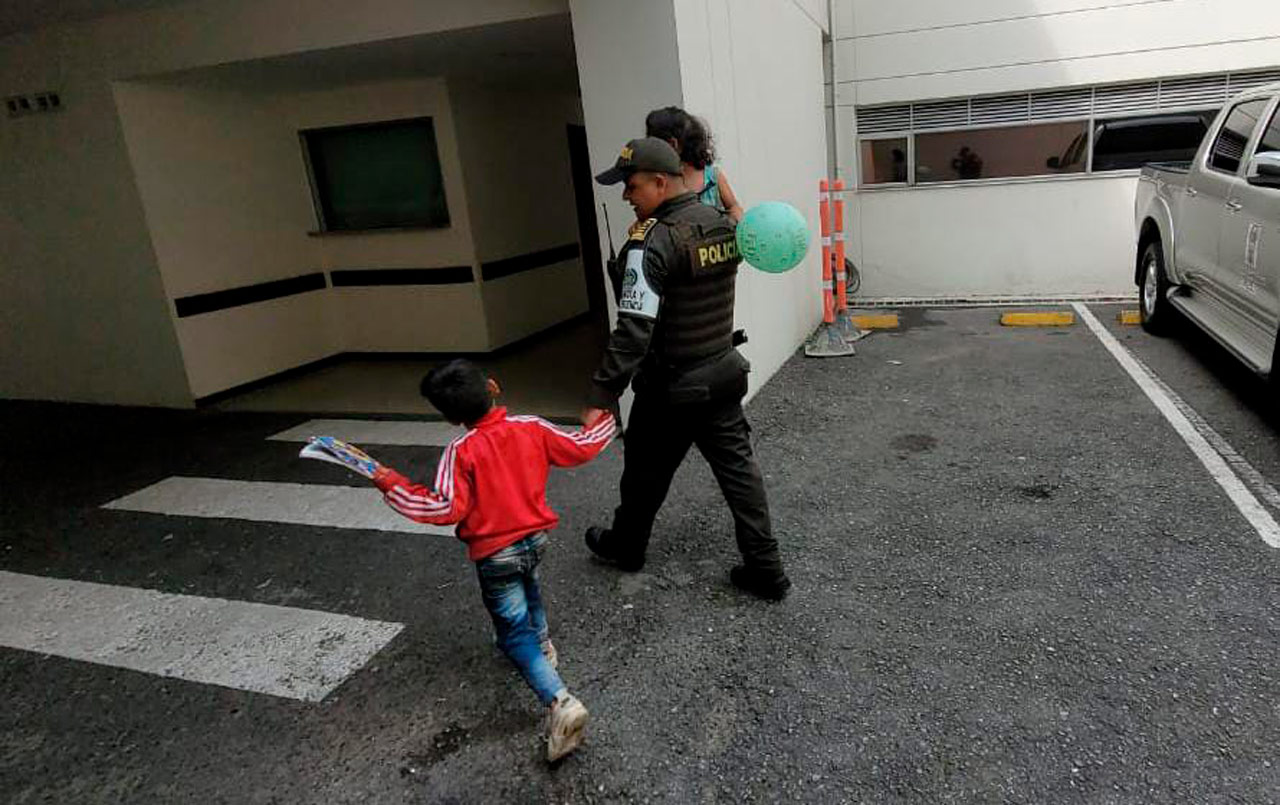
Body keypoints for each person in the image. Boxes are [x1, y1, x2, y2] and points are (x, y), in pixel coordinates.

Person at [370, 359, 617, 762]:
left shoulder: (460, 451)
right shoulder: (531, 427)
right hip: (535, 541)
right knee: (530, 585)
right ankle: (544, 648)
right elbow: (580, 446)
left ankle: (560, 701)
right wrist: (603, 417)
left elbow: (445, 507)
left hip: (495, 554)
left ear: (451, 418)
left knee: (512, 632)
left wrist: (389, 482)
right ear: (493, 386)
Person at [581, 137, 791, 601]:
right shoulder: (721, 224)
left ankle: (627, 546)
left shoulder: (651, 242)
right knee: (741, 475)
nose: (626, 195)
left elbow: (633, 331)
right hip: (722, 375)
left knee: (643, 474)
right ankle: (766, 568)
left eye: (631, 185)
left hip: (670, 389)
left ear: (660, 182)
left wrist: (602, 395)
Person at [645, 106, 745, 221]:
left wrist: (738, 220)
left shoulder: (712, 177)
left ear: (673, 144)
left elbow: (733, 206)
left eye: (654, 146)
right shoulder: (660, 182)